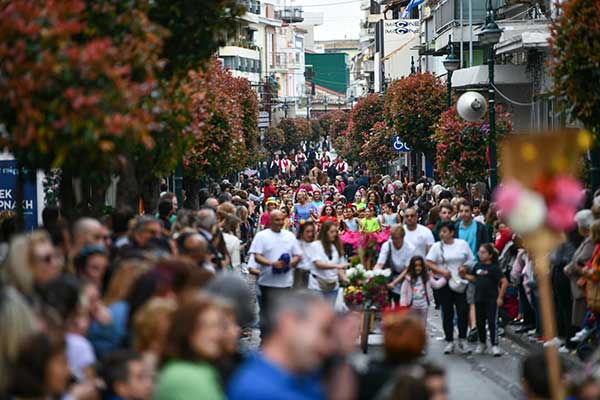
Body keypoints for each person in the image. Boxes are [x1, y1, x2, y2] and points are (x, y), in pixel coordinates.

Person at [227, 291, 335, 400]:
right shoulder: (259, 391)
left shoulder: (303, 375)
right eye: (324, 331)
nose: (329, 347)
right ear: (289, 323)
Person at [155, 297, 228, 400]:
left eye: (218, 325)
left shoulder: (199, 368)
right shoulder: (185, 377)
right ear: (186, 329)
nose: (216, 334)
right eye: (205, 326)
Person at [248, 210, 302, 332]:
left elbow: (298, 255)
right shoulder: (261, 236)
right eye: (277, 220)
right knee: (267, 317)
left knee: (282, 316)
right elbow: (256, 256)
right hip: (266, 284)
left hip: (285, 284)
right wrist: (272, 264)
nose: (280, 222)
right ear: (271, 220)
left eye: (282, 219)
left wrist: (289, 265)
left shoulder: (289, 236)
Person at [426, 221, 476, 355]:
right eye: (441, 232)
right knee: (447, 312)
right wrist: (441, 271)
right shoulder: (437, 247)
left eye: (445, 231)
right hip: (445, 283)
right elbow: (429, 262)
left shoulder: (462, 244)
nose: (442, 234)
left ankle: (462, 339)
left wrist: (464, 268)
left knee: (463, 311)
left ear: (452, 232)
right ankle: (449, 340)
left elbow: (471, 260)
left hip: (460, 282)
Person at [463, 243, 508, 356]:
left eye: (483, 252)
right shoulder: (477, 266)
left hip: (491, 299)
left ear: (490, 255)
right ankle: (482, 342)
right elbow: (475, 278)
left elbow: (504, 282)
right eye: (479, 252)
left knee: (492, 322)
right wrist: (464, 275)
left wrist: (500, 297)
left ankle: (494, 344)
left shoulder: (494, 268)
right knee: (480, 322)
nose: (480, 254)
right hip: (479, 298)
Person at [309, 221, 349, 305]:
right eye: (331, 232)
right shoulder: (315, 245)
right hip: (317, 286)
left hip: (333, 286)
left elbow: (340, 269)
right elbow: (318, 264)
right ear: (325, 233)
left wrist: (345, 279)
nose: (334, 234)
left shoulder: (337, 247)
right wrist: (337, 266)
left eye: (336, 232)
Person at [374, 225, 416, 305]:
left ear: (402, 237)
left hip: (404, 277)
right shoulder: (387, 245)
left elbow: (407, 269)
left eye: (396, 238)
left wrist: (394, 283)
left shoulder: (410, 248)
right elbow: (380, 264)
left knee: (401, 304)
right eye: (392, 238)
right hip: (389, 275)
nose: (394, 240)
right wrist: (374, 274)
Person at [400, 256, 445, 322]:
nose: (418, 268)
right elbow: (403, 293)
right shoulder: (408, 279)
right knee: (414, 325)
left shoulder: (426, 278)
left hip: (424, 306)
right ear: (412, 267)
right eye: (415, 266)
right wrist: (403, 305)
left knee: (423, 325)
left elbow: (436, 285)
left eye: (420, 265)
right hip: (412, 306)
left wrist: (445, 278)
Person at [294, 221, 316, 289]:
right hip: (298, 275)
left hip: (312, 277)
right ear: (302, 232)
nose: (310, 234)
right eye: (307, 231)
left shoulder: (315, 245)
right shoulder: (295, 243)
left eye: (312, 231)